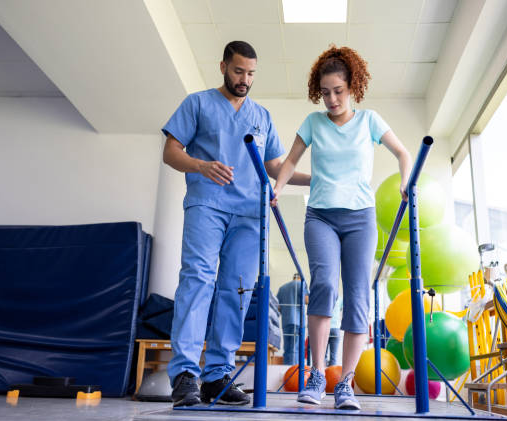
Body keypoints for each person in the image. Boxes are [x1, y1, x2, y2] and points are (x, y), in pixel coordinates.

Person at [162, 40, 310, 407]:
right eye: (238, 71)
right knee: (197, 281)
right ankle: (184, 375)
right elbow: (171, 152)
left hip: (249, 213)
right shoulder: (197, 103)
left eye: (251, 74)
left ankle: (216, 377)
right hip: (207, 205)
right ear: (223, 66)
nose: (244, 79)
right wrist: (200, 165)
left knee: (237, 292)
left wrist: (316, 179)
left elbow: (275, 167)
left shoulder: (261, 116)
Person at [271, 45, 412, 410]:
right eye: (326, 92)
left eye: (339, 91)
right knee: (322, 287)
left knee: (358, 299)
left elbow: (403, 153)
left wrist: (404, 181)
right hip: (320, 216)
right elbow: (289, 161)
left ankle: (345, 382)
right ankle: (318, 374)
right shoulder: (313, 123)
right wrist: (278, 188)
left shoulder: (370, 121)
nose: (332, 99)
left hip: (360, 218)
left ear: (353, 87)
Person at [276, 273, 309, 365]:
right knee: (296, 347)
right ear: (300, 277)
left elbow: (278, 307)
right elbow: (307, 300)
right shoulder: (301, 284)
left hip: (286, 321)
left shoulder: (282, 288)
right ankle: (294, 371)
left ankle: (286, 368)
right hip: (298, 321)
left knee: (287, 348)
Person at [325, 296, 342, 366]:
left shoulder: (325, 297)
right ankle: (332, 375)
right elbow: (341, 312)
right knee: (333, 356)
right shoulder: (340, 299)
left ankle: (321, 375)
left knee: (322, 355)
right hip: (336, 328)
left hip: (325, 327)